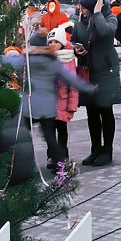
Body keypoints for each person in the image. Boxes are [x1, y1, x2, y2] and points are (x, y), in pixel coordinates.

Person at [0, 30, 96, 170]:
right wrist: (88, 87)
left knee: (21, 137)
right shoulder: (53, 62)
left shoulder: (26, 60)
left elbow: (8, 60)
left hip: (29, 107)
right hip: (48, 108)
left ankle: (21, 165)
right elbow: (70, 78)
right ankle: (62, 166)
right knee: (51, 139)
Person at [71, 0, 121, 167]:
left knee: (105, 110)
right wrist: (76, 49)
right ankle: (95, 149)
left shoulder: (109, 18)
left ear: (94, 7)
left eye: (85, 8)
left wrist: (98, 13)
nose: (82, 10)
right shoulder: (81, 22)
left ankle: (107, 150)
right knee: (91, 111)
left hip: (105, 71)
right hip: (88, 71)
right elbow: (74, 40)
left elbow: (106, 33)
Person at [48, 27, 79, 166]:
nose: (52, 44)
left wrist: (72, 105)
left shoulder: (68, 59)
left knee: (61, 129)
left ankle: (63, 156)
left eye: (55, 41)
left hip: (62, 100)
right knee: (49, 131)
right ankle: (51, 155)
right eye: (50, 42)